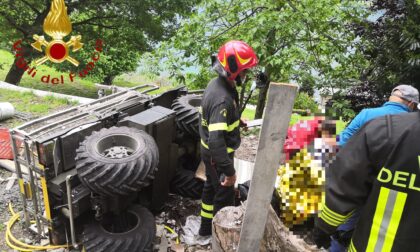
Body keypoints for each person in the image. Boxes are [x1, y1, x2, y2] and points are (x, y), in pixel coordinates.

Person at [313, 106, 420, 251]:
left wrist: (324, 227)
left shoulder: (381, 124)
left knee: (343, 232)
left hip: (373, 244)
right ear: (411, 103)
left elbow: (347, 184)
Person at [198, 40, 258, 236]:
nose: (246, 75)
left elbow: (216, 120)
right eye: (245, 70)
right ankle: (218, 237)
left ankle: (205, 230)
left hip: (209, 153)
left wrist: (236, 120)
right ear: (232, 69)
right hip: (218, 156)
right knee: (223, 197)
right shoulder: (222, 98)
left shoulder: (218, 84)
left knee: (210, 188)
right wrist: (230, 173)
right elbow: (217, 142)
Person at [339, 84, 419, 146]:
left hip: (365, 166)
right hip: (401, 167)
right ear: (411, 104)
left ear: (390, 98)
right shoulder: (415, 122)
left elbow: (343, 140)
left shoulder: (366, 114)